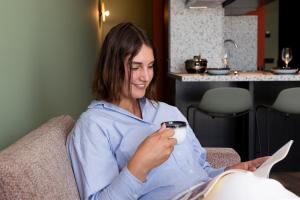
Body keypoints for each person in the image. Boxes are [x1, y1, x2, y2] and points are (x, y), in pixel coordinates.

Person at [66, 22, 268, 200]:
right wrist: (140, 164)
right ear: (111, 67)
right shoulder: (94, 125)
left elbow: (201, 170)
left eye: (150, 66)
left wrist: (232, 171)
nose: (146, 77)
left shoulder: (167, 112)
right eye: (135, 67)